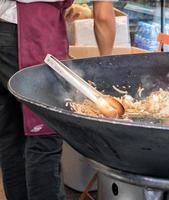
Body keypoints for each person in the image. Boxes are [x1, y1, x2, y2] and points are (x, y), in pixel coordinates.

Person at [0, 0, 116, 200]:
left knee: (12, 137)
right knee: (43, 136)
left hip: (4, 31)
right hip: (32, 35)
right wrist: (108, 66)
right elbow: (104, 15)